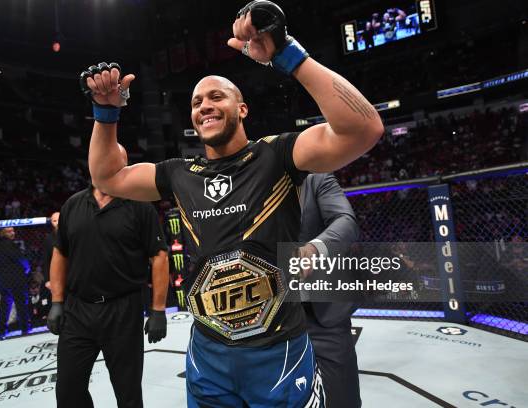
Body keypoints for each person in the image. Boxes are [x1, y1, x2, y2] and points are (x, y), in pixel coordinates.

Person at [84, 1, 383, 405]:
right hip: (208, 353)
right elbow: (107, 177)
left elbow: (363, 128)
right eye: (195, 102)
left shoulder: (278, 154)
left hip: (280, 351)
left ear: (241, 108)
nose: (203, 105)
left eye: (216, 96)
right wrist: (106, 113)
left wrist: (286, 54)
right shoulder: (177, 173)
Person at [47, 184, 169, 408]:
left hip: (123, 308)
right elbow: (60, 252)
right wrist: (57, 301)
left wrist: (158, 309)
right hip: (79, 309)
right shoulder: (73, 205)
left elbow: (159, 255)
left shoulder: (139, 205)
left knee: (127, 391)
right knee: (68, 388)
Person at [297, 173, 361, 407]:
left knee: (343, 398)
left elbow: (346, 220)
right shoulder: (253, 187)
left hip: (321, 311)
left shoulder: (316, 180)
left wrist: (315, 248)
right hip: (272, 313)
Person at [0, 227, 30, 338]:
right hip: (15, 279)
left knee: (5, 305)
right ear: (2, 233)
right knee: (21, 303)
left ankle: (2, 331)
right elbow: (20, 259)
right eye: (9, 231)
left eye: (13, 231)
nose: (12, 233)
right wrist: (26, 267)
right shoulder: (11, 245)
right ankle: (25, 329)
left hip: (3, 280)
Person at [41, 211, 59, 286]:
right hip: (57, 274)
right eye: (54, 221)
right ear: (51, 223)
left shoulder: (73, 234)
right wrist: (47, 279)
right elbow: (46, 260)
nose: (58, 223)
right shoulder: (49, 239)